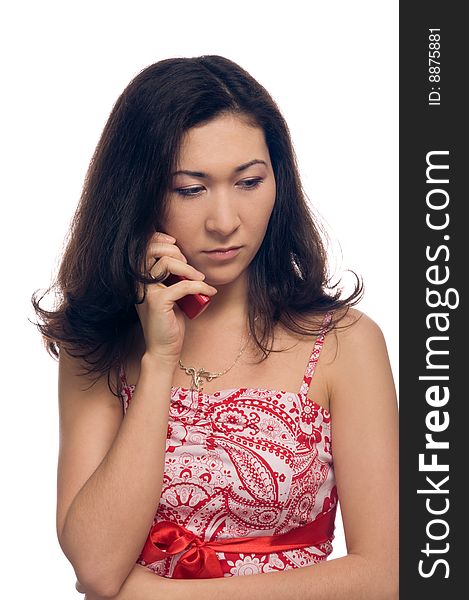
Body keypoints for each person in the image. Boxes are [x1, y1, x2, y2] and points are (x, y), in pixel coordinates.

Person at [31, 55, 398, 599]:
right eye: (190, 188)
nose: (225, 221)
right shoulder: (100, 347)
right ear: (139, 194)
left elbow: (385, 574)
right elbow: (96, 566)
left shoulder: (344, 344)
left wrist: (164, 596)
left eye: (249, 181)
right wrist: (158, 361)